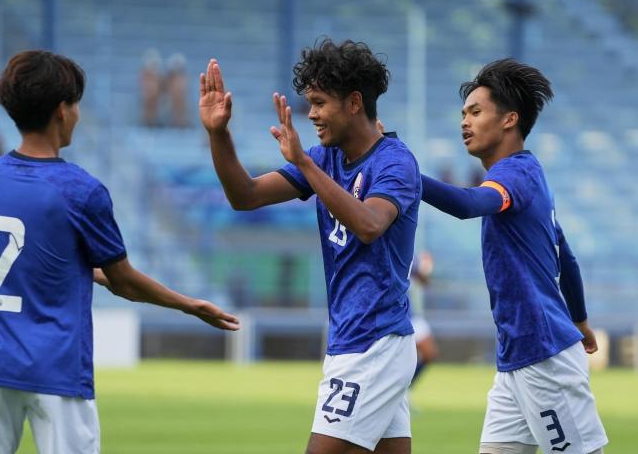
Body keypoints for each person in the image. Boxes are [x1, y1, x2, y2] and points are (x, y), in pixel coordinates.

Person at [0, 50, 239, 454]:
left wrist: (82, 271)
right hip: (55, 370)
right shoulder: (80, 190)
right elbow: (124, 281)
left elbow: (26, 257)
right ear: (61, 111)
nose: (78, 114)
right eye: (76, 105)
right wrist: (189, 305)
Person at [199, 38, 421, 454]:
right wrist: (218, 134)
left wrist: (303, 163)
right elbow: (245, 195)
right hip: (354, 339)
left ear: (354, 102)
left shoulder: (394, 162)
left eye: (319, 102)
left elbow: (369, 224)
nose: (312, 114)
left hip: (373, 342)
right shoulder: (324, 158)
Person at [420, 59, 608, 454]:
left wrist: (405, 173)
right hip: (516, 358)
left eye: (475, 112)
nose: (464, 123)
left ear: (509, 120)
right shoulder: (531, 175)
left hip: (543, 356)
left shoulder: (514, 176)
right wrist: (581, 320)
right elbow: (566, 258)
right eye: (463, 114)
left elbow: (469, 204)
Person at [408, 251, 438, 388]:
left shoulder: (410, 253)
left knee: (430, 353)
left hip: (410, 315)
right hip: (395, 315)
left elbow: (424, 280)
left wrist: (425, 267)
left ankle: (405, 388)